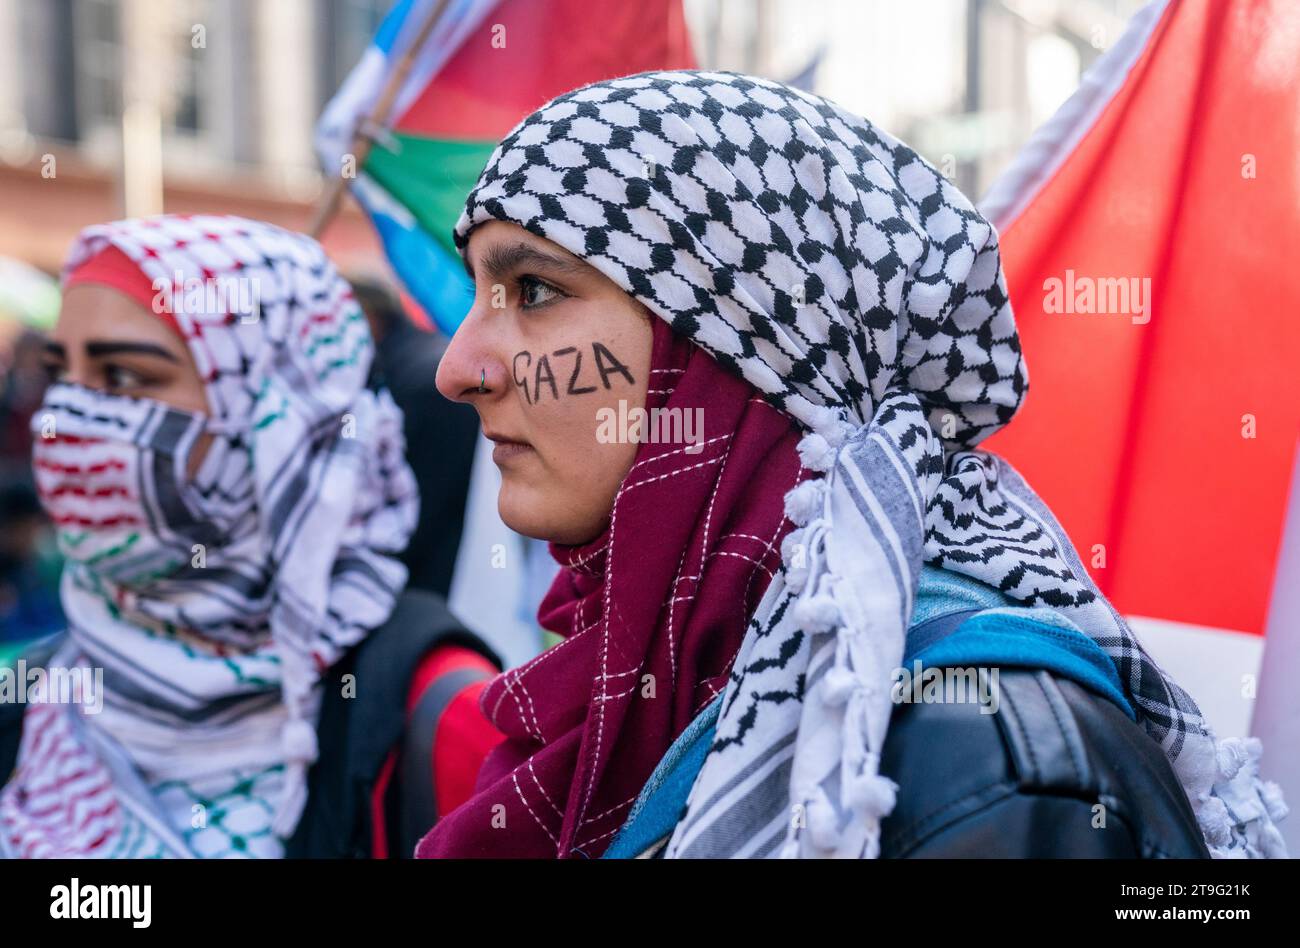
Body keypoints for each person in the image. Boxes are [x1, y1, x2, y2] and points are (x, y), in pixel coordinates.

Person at [417, 70, 1288, 859]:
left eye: (534, 291)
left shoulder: (994, 770)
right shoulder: (648, 679)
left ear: (739, 347)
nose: (460, 369)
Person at [0, 214, 501, 858]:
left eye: (123, 377)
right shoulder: (41, 695)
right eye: (61, 374)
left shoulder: (436, 719)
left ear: (276, 413)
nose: (65, 419)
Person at [349, 275, 480, 598]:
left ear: (366, 316)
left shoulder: (423, 382)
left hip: (432, 578)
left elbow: (419, 503)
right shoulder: (403, 365)